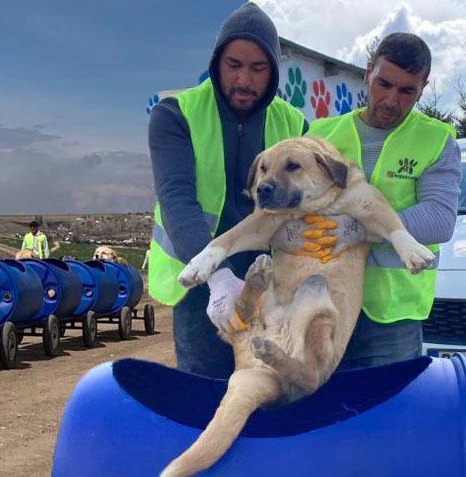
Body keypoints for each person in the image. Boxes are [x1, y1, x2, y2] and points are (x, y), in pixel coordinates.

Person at [275, 32, 461, 369]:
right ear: (367, 71)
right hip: (320, 303)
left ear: (424, 87)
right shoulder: (320, 135)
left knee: (386, 415)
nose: (391, 100)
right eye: (383, 84)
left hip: (390, 318)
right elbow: (291, 207)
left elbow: (439, 219)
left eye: (407, 91)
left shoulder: (436, 141)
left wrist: (357, 230)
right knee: (318, 410)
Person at [148, 3, 307, 378]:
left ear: (273, 71)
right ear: (217, 62)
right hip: (202, 282)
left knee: (268, 389)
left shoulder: (294, 123)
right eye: (234, 65)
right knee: (206, 392)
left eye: (258, 68)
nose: (244, 81)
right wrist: (217, 277)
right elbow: (177, 201)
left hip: (268, 280)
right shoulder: (175, 114)